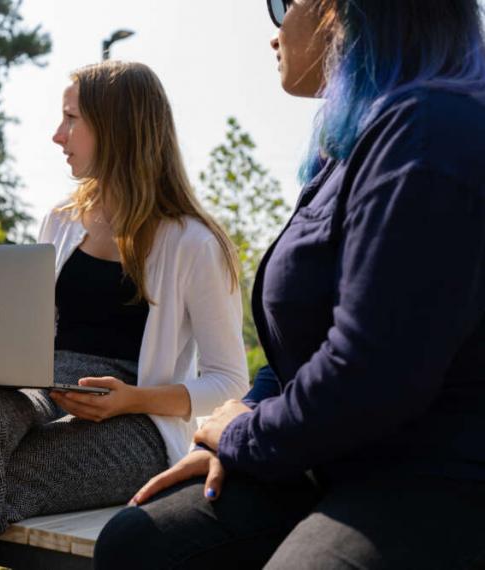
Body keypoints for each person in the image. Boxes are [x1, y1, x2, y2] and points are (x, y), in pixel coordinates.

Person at [94, 1, 485, 568]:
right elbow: (296, 348)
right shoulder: (350, 150)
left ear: (342, 11)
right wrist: (244, 423)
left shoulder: (431, 131)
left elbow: (372, 375)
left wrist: (242, 438)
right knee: (139, 541)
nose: (273, 30)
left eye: (283, 4)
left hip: (436, 475)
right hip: (331, 455)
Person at [0, 60, 250, 570]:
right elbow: (28, 336)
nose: (58, 135)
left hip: (137, 423)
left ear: (118, 127)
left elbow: (229, 382)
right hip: (43, 385)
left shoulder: (194, 243)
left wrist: (132, 400)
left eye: (72, 119)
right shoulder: (60, 221)